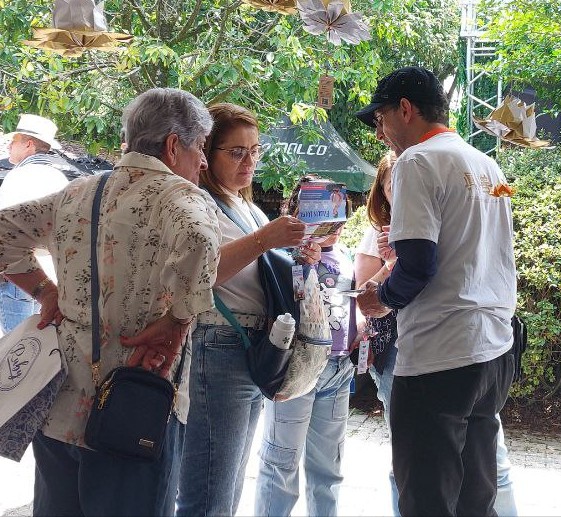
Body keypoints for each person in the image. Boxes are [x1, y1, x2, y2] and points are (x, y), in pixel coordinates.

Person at [0, 87, 222, 516]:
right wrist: (179, 320)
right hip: (133, 410)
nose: (203, 161)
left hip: (60, 402)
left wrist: (45, 290)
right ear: (173, 145)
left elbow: (3, 232)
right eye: (200, 147)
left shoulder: (78, 192)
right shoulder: (181, 196)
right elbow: (199, 240)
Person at [355, 66, 516, 516]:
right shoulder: (486, 164)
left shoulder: (416, 161)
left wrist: (379, 300)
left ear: (405, 109)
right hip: (493, 351)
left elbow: (418, 265)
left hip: (439, 357)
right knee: (476, 498)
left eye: (381, 119)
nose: (380, 133)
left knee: (427, 500)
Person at [176, 102, 312, 517]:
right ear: (206, 153)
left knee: (229, 484)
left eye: (255, 151)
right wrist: (266, 239)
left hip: (251, 345)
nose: (249, 162)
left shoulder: (245, 206)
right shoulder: (198, 202)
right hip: (217, 343)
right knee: (210, 491)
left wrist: (300, 255)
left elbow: (260, 270)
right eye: (236, 152)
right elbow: (203, 272)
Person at [254, 176, 357, 517]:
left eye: (340, 216)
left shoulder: (346, 255)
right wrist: (303, 263)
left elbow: (351, 304)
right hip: (297, 367)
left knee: (328, 469)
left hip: (338, 367)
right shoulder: (283, 255)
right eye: (326, 215)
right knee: (280, 463)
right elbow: (285, 301)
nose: (335, 225)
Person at [0, 114, 69, 334]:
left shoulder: (20, 177)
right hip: (51, 273)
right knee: (39, 338)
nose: (9, 146)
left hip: (20, 276)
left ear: (29, 144)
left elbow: (4, 233)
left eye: (14, 141)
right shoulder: (60, 178)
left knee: (18, 340)